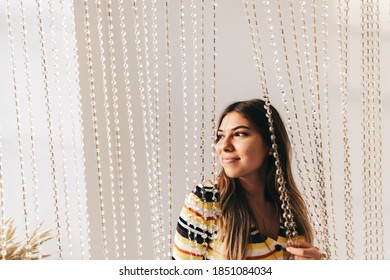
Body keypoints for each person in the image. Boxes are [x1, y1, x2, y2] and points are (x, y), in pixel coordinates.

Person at [172, 98, 323, 260]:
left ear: (271, 144)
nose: (224, 146)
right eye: (220, 136)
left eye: (239, 134)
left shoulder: (290, 211)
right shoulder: (207, 200)